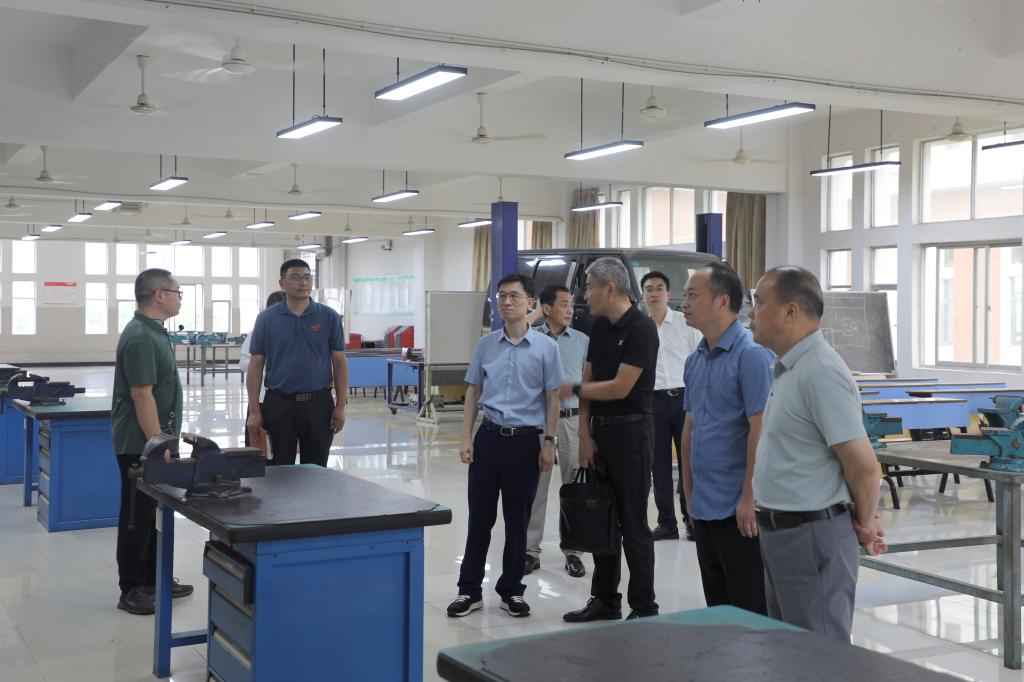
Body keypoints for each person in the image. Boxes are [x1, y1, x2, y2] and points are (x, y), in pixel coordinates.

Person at [750, 266, 887, 642]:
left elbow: (863, 467)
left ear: (790, 311)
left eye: (759, 302)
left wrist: (865, 522)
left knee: (821, 657)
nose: (751, 311)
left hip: (811, 537)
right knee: (791, 654)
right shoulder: (789, 368)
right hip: (782, 534)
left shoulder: (821, 372)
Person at [447, 273, 562, 619]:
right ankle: (469, 590)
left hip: (525, 443)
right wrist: (466, 436)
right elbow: (473, 391)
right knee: (479, 518)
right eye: (501, 296)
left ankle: (511, 590)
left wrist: (549, 442)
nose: (506, 302)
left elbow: (553, 398)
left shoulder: (546, 348)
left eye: (514, 296)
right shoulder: (486, 345)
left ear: (531, 303)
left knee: (517, 520)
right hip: (488, 438)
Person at [563, 257, 660, 623]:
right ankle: (605, 600)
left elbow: (620, 387)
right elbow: (590, 378)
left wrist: (574, 389)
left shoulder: (641, 328)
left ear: (610, 288)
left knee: (633, 524)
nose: (585, 295)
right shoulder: (599, 326)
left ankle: (644, 606)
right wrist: (584, 434)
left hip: (631, 434)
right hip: (600, 433)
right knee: (601, 517)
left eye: (589, 287)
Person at [679, 263, 772, 614]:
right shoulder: (695, 360)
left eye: (693, 295)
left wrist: (749, 496)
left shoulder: (752, 356)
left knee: (749, 610)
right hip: (704, 504)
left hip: (739, 509)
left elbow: (760, 429)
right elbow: (690, 428)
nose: (684, 303)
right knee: (718, 608)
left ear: (722, 301)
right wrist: (689, 494)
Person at [110, 268, 193, 615]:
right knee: (136, 515)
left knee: (150, 512)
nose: (180, 298)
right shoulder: (141, 337)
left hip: (152, 438)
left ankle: (152, 578)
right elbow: (141, 395)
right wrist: (158, 444)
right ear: (160, 295)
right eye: (177, 292)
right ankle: (131, 588)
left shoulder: (154, 332)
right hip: (139, 442)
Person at [246, 260, 348, 466]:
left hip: (319, 405)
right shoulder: (266, 319)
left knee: (316, 469)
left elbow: (339, 362)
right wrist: (254, 411)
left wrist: (340, 406)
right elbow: (255, 365)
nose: (303, 282)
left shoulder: (329, 317)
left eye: (307, 277)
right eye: (295, 277)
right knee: (279, 469)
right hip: (279, 404)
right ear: (282, 283)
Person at [524, 284, 589, 579]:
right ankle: (530, 551)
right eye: (563, 304)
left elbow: (589, 387)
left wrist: (586, 429)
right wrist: (536, 313)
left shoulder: (583, 341)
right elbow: (516, 326)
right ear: (546, 308)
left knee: (574, 489)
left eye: (571, 304)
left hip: (573, 421)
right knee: (536, 486)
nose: (570, 310)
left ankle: (574, 551)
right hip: (540, 422)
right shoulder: (532, 338)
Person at [641, 270, 702, 542]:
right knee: (659, 464)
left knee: (689, 461)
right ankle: (667, 523)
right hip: (653, 400)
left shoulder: (684, 323)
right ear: (642, 295)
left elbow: (700, 359)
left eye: (659, 288)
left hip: (684, 398)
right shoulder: (640, 328)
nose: (654, 293)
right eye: (649, 289)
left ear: (668, 293)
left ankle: (691, 518)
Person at [239, 290, 286, 449]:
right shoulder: (257, 332)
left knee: (281, 448)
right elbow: (243, 363)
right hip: (260, 400)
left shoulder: (293, 333)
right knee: (257, 446)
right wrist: (261, 362)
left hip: (285, 401)